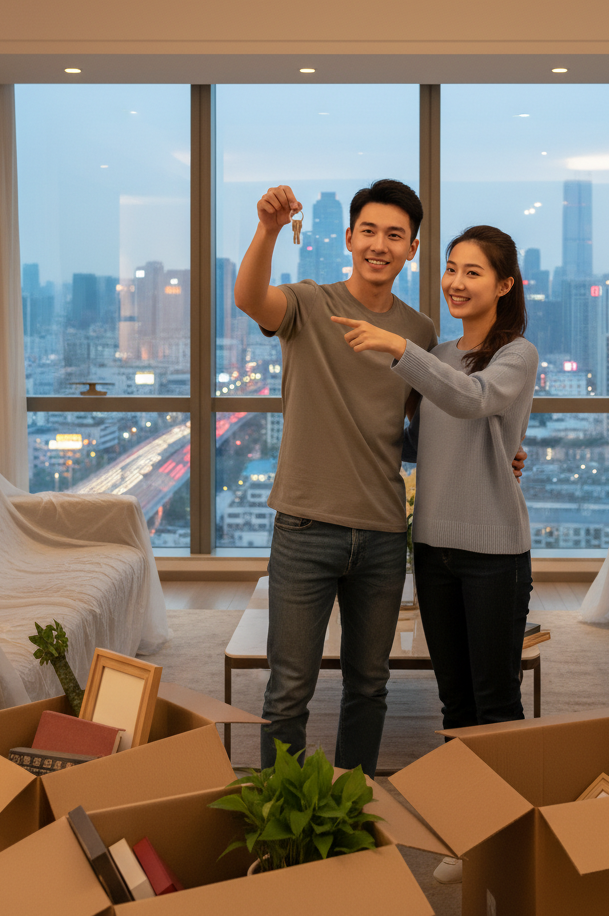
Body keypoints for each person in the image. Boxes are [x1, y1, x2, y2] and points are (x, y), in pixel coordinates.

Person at [233, 179, 438, 775]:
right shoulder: (307, 304)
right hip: (305, 525)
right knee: (288, 691)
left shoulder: (419, 332)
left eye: (394, 235)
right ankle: (281, 813)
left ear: (412, 248)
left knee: (369, 686)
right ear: (349, 238)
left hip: (382, 530)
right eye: (368, 231)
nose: (380, 245)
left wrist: (501, 453)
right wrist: (268, 230)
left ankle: (354, 804)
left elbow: (421, 428)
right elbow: (249, 298)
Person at [331, 225, 537, 732]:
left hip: (494, 553)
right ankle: (460, 785)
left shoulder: (517, 354)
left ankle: (505, 789)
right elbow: (418, 443)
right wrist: (343, 421)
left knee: (496, 704)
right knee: (455, 703)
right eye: (450, 269)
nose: (456, 282)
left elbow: (473, 398)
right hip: (431, 549)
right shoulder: (439, 355)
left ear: (504, 285)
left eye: (472, 272)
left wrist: (399, 348)